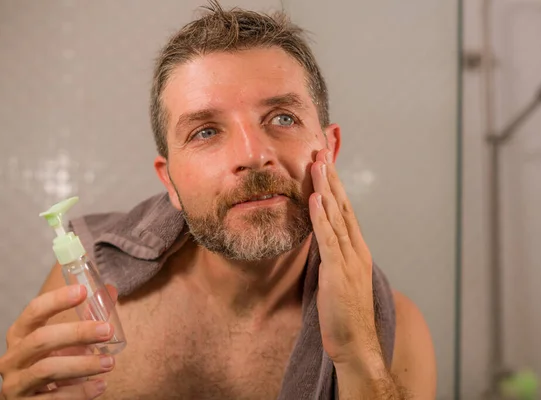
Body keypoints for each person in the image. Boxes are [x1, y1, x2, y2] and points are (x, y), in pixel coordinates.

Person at [0, 2, 436, 399]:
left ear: (330, 150)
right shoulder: (84, 292)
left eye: (283, 117)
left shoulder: (395, 329)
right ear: (168, 180)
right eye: (205, 131)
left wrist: (360, 359)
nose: (251, 154)